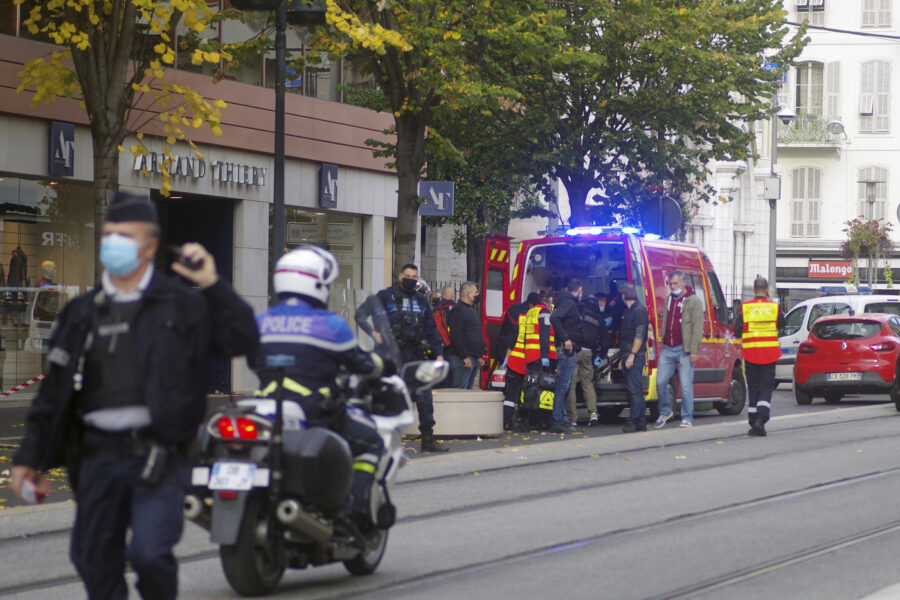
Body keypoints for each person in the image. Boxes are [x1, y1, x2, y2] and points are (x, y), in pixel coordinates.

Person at [10, 190, 258, 600]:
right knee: (92, 558)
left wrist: (213, 284)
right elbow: (52, 395)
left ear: (149, 245)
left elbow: (243, 337)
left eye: (125, 236)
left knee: (150, 555)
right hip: (95, 458)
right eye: (109, 234)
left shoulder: (181, 303)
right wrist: (28, 460)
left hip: (160, 457)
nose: (114, 244)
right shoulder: (82, 313)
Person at [253, 246, 386, 521]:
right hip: (312, 411)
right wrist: (382, 365)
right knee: (372, 442)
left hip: (264, 410)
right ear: (317, 284)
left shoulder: (260, 321)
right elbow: (361, 363)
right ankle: (356, 512)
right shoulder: (331, 325)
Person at [373, 263, 449, 452]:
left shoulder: (421, 300)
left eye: (415, 277)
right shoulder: (385, 296)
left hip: (415, 353)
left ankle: (428, 438)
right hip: (393, 354)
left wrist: (438, 353)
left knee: (424, 396)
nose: (411, 279)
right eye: (408, 275)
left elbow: (432, 329)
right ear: (400, 276)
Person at [733, 277, 784, 437]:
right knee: (765, 388)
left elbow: (737, 330)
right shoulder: (774, 307)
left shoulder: (745, 308)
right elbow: (782, 325)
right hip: (769, 354)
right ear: (766, 289)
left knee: (753, 388)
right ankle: (761, 420)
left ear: (754, 290)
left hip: (751, 353)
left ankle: (753, 420)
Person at [655, 270, 703, 429]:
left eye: (675, 283)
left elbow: (697, 327)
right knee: (660, 381)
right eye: (671, 284)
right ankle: (665, 411)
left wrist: (694, 350)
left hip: (684, 349)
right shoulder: (669, 299)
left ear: (683, 282)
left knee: (685, 384)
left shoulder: (693, 301)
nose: (672, 287)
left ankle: (687, 417)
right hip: (668, 347)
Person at [512, 290, 557, 430]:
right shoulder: (544, 312)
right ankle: (541, 421)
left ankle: (527, 418)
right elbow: (544, 335)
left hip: (530, 356)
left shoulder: (530, 312)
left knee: (531, 388)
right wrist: (545, 357)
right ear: (547, 299)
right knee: (544, 389)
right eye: (551, 299)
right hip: (541, 356)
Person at [497, 292, 538, 430]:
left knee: (511, 392)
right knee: (524, 392)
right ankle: (522, 421)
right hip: (526, 361)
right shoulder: (532, 316)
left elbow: (507, 335)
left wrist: (505, 358)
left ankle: (505, 421)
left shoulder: (514, 310)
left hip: (513, 358)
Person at [568, 293, 609, 427]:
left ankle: (573, 418)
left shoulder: (578, 311)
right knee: (588, 384)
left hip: (574, 351)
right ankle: (593, 415)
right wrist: (600, 357)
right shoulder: (599, 317)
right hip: (588, 353)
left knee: (571, 385)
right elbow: (605, 341)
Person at [549, 278, 584, 431]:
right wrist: (566, 339)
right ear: (579, 289)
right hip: (567, 350)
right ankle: (558, 420)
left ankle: (562, 418)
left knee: (566, 385)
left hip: (568, 349)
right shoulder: (569, 303)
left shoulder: (565, 302)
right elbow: (554, 318)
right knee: (563, 386)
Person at [620, 284, 650, 433]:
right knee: (635, 389)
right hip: (628, 354)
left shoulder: (638, 311)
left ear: (624, 296)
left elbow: (639, 335)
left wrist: (631, 355)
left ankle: (632, 421)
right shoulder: (630, 311)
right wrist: (622, 358)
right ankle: (641, 422)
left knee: (635, 391)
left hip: (635, 355)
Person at [447, 281, 486, 389]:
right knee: (460, 392)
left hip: (472, 358)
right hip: (462, 360)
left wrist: (478, 356)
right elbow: (455, 335)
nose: (478, 295)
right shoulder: (458, 310)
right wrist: (464, 356)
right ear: (468, 294)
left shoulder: (471, 310)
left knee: (467, 394)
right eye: (476, 292)